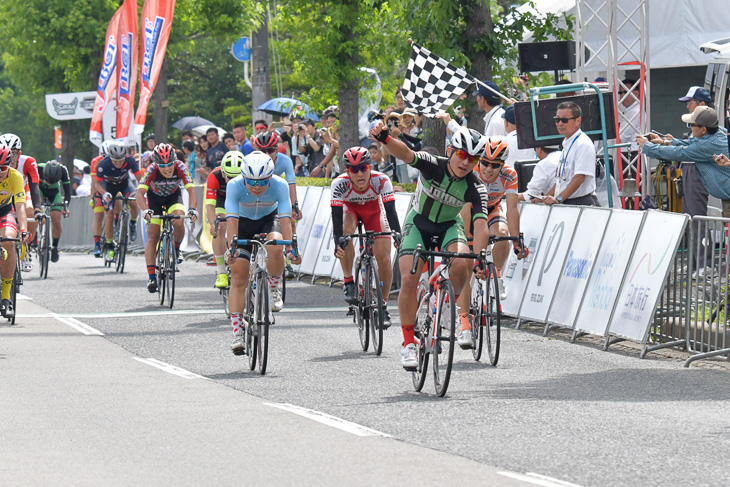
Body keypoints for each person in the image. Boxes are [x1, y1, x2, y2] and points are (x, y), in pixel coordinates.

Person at [370, 122, 492, 370]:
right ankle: (408, 344)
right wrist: (385, 139)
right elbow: (406, 153)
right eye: (461, 154)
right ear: (450, 151)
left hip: (449, 226)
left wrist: (480, 257)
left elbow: (480, 226)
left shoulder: (475, 186)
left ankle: (448, 305)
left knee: (463, 261)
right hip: (418, 224)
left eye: (472, 158)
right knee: (409, 278)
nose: (466, 162)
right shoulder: (432, 164)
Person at [638, 106, 730, 278]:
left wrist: (649, 147)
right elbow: (691, 144)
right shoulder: (716, 134)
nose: (689, 129)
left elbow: (683, 152)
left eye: (692, 126)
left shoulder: (708, 144)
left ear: (703, 129)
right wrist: (665, 142)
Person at [225, 151, 301, 355]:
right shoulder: (234, 185)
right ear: (243, 177)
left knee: (276, 246)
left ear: (270, 177)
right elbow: (231, 221)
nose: (257, 187)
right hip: (242, 224)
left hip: (269, 220)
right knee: (239, 276)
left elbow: (285, 220)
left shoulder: (279, 185)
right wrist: (231, 248)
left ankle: (274, 287)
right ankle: (237, 331)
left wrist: (291, 247)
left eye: (262, 182)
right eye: (251, 182)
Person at [456, 137, 525, 348]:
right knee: (466, 268)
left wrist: (516, 241)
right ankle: (465, 325)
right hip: (468, 212)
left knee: (503, 234)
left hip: (492, 209)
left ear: (503, 165)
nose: (488, 169)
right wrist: (469, 245)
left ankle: (497, 273)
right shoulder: (471, 171)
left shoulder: (509, 175)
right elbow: (466, 209)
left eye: (495, 165)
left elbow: (512, 209)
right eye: (485, 162)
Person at [330, 147, 402, 327]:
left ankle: (383, 305)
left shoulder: (381, 180)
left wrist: (397, 234)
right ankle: (349, 282)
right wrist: (338, 243)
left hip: (373, 211)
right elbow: (337, 217)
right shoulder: (339, 183)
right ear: (347, 171)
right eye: (354, 170)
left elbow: (390, 211)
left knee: (384, 258)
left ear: (371, 166)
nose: (360, 173)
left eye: (364, 167)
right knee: (345, 235)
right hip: (350, 210)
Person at [136, 144, 198, 292]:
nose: (167, 168)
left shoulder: (181, 167)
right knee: (153, 236)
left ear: (175, 161)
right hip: (154, 200)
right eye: (162, 165)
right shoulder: (151, 170)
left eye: (170, 164)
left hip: (173, 198)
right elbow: (139, 194)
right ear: (156, 164)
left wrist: (193, 209)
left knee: (178, 220)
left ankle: (176, 249)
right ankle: (151, 277)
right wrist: (145, 211)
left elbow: (191, 190)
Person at [542, 102, 600, 206]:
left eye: (564, 120)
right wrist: (545, 198)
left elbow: (579, 178)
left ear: (578, 120)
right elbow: (562, 180)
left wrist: (559, 198)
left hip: (581, 203)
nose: (560, 123)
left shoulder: (583, 144)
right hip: (567, 201)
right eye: (557, 119)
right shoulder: (567, 142)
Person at [96, 140, 142, 262]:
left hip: (124, 184)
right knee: (109, 214)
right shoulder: (103, 164)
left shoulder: (130, 160)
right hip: (108, 187)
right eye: (115, 161)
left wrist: (143, 190)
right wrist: (104, 193)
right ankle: (110, 248)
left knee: (133, 202)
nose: (118, 163)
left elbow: (139, 178)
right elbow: (97, 184)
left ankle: (132, 223)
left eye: (121, 160)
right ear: (109, 157)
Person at [1, 133, 41, 272]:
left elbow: (35, 185)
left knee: (29, 209)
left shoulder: (28, 162)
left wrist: (37, 209)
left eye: (14, 153)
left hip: (23, 190)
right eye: (7, 152)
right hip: (4, 194)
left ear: (20, 153)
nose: (11, 157)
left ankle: (27, 247)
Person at [205, 151, 244, 289]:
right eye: (229, 177)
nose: (233, 181)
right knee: (219, 226)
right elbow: (210, 205)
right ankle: (221, 272)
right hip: (222, 200)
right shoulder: (214, 176)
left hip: (241, 200)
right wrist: (212, 224)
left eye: (237, 177)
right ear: (222, 173)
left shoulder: (249, 176)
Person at [0, 145, 28, 318]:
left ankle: (5, 299)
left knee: (9, 241)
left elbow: (20, 207)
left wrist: (24, 229)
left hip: (4, 212)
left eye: (3, 168)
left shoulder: (15, 177)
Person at [254, 131, 301, 220]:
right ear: (257, 151)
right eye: (263, 151)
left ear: (277, 149)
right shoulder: (251, 161)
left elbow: (291, 185)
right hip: (256, 193)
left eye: (270, 150)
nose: (267, 154)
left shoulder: (286, 161)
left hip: (274, 193)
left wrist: (294, 207)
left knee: (290, 222)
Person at [37, 160, 71, 263]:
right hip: (40, 190)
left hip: (54, 193)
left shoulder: (63, 170)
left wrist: (65, 206)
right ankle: (36, 236)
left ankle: (55, 246)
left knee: (56, 220)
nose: (48, 182)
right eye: (47, 180)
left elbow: (67, 192)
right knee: (39, 209)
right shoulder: (38, 168)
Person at [617, 79, 641, 178]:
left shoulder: (634, 111)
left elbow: (622, 137)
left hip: (631, 155)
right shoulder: (631, 110)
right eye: (620, 92)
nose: (622, 95)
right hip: (629, 155)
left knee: (632, 190)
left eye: (626, 92)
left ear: (636, 93)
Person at [90, 142, 110, 257]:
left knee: (111, 214)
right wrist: (93, 196)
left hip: (112, 186)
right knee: (99, 215)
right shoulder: (96, 161)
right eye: (104, 156)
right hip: (100, 187)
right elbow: (94, 181)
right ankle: (97, 244)